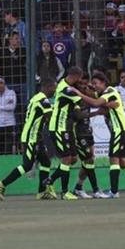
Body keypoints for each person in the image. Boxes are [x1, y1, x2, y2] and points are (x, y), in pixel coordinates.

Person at [71, 72, 125, 198]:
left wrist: (79, 93)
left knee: (113, 159)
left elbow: (95, 103)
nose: (95, 86)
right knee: (122, 162)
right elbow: (96, 98)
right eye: (93, 83)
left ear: (104, 83)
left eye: (96, 83)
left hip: (119, 130)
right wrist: (87, 88)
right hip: (123, 130)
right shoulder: (106, 94)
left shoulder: (110, 91)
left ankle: (114, 192)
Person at [0, 79, 56, 200]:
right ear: (47, 87)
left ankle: (42, 192)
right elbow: (50, 117)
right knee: (27, 165)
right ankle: (2, 184)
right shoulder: (43, 100)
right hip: (31, 137)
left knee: (45, 162)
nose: (54, 91)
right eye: (54, 88)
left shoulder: (36, 98)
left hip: (37, 137)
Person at [42, 67, 84, 200]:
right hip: (59, 128)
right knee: (66, 159)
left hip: (66, 128)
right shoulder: (64, 88)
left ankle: (50, 180)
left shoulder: (67, 86)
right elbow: (80, 100)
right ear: (76, 76)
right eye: (80, 78)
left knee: (73, 159)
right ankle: (65, 192)